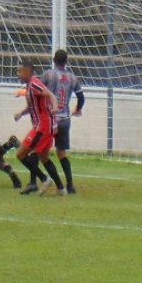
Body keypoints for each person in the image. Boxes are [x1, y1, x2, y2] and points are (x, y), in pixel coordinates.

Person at [14, 58, 67, 196]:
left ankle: (43, 179)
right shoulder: (29, 87)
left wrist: (55, 107)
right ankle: (61, 189)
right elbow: (32, 107)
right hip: (43, 126)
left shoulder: (35, 84)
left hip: (43, 127)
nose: (17, 74)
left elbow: (50, 95)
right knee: (43, 158)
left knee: (20, 154)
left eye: (20, 71)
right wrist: (21, 113)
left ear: (28, 71)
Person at [34, 49, 84, 194]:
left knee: (39, 150)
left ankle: (37, 181)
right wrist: (78, 109)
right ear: (66, 62)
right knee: (61, 153)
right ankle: (70, 184)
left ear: (54, 60)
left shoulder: (48, 74)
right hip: (65, 120)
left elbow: (37, 91)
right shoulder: (72, 77)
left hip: (50, 120)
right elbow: (81, 98)